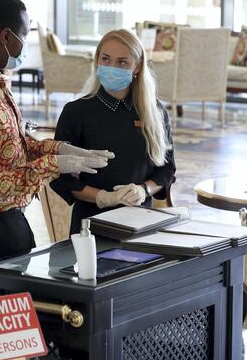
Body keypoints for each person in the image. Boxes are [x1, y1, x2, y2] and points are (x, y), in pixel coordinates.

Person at [0, 0, 114, 273]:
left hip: (4, 217)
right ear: (6, 37)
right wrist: (52, 166)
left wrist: (59, 149)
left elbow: (12, 149)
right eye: (24, 35)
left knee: (24, 307)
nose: (26, 45)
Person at [50, 29, 175, 234]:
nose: (112, 67)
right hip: (90, 226)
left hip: (141, 222)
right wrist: (102, 197)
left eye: (122, 62)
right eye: (105, 59)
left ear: (137, 66)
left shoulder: (155, 111)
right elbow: (59, 176)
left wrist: (143, 191)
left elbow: (166, 169)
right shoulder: (76, 112)